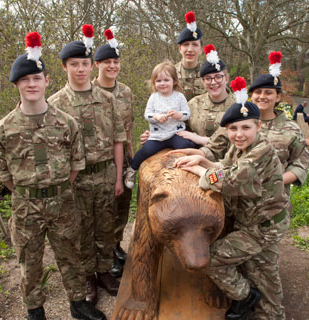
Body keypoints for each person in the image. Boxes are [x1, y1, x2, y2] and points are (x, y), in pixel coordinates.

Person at [168, 52, 309, 320]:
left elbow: (228, 180)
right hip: (253, 218)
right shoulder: (241, 145)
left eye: (245, 128)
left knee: (217, 260)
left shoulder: (262, 150)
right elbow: (225, 166)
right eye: (233, 129)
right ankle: (262, 306)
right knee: (263, 273)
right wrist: (202, 159)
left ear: (258, 127)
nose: (238, 134)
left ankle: (246, 298)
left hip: (262, 225)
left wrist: (200, 171)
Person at [0, 32, 106, 320]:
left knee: (71, 256)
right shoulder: (2, 130)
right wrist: (29, 191)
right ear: (17, 84)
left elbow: (76, 164)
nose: (31, 84)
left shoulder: (67, 123)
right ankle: (34, 310)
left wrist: (57, 189)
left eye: (36, 79)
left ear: (46, 81)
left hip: (63, 202)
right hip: (25, 206)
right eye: (25, 80)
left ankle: (78, 303)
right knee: (29, 263)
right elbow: (2, 174)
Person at [48, 25, 126, 305]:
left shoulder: (107, 99)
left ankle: (105, 272)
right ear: (64, 67)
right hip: (76, 180)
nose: (80, 69)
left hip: (105, 173)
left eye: (84, 64)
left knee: (106, 227)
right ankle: (87, 278)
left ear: (92, 66)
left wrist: (118, 177)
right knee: (81, 230)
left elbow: (118, 140)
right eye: (74, 64)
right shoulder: (55, 104)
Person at [92, 29, 134, 278]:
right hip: (100, 161)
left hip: (124, 158)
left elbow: (128, 127)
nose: (112, 66)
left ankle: (116, 246)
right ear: (97, 64)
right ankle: (105, 255)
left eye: (116, 62)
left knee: (122, 207)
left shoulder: (126, 92)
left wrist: (132, 157)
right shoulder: (89, 91)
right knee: (102, 212)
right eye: (107, 62)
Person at [140, 44, 235, 146]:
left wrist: (198, 139)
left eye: (218, 77)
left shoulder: (238, 107)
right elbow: (173, 126)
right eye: (208, 78)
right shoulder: (194, 104)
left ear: (227, 78)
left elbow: (237, 141)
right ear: (203, 81)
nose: (213, 82)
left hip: (225, 159)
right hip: (191, 154)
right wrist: (155, 133)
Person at [124, 60, 196, 189]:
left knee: (187, 145)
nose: (162, 84)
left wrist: (178, 115)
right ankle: (132, 170)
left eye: (166, 80)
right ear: (154, 83)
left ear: (174, 81)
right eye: (158, 81)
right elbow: (147, 115)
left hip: (176, 132)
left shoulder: (179, 96)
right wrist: (156, 117)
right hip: (158, 135)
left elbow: (187, 114)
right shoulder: (154, 97)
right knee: (146, 150)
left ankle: (198, 171)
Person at [175, 10, 205, 101]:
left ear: (201, 49)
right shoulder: (170, 74)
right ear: (180, 48)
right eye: (186, 44)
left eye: (195, 45)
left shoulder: (209, 73)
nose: (190, 49)